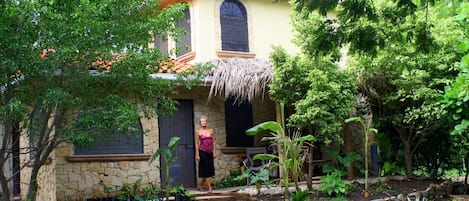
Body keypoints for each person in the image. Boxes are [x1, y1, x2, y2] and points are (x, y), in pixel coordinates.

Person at [194, 115, 216, 193]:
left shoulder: (211, 131)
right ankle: (210, 188)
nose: (204, 122)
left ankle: (200, 185)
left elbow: (213, 142)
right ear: (200, 123)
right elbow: (196, 144)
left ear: (207, 122)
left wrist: (214, 152)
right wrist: (197, 154)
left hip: (210, 152)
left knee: (209, 169)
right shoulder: (198, 132)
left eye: (205, 121)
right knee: (206, 169)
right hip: (202, 152)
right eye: (202, 121)